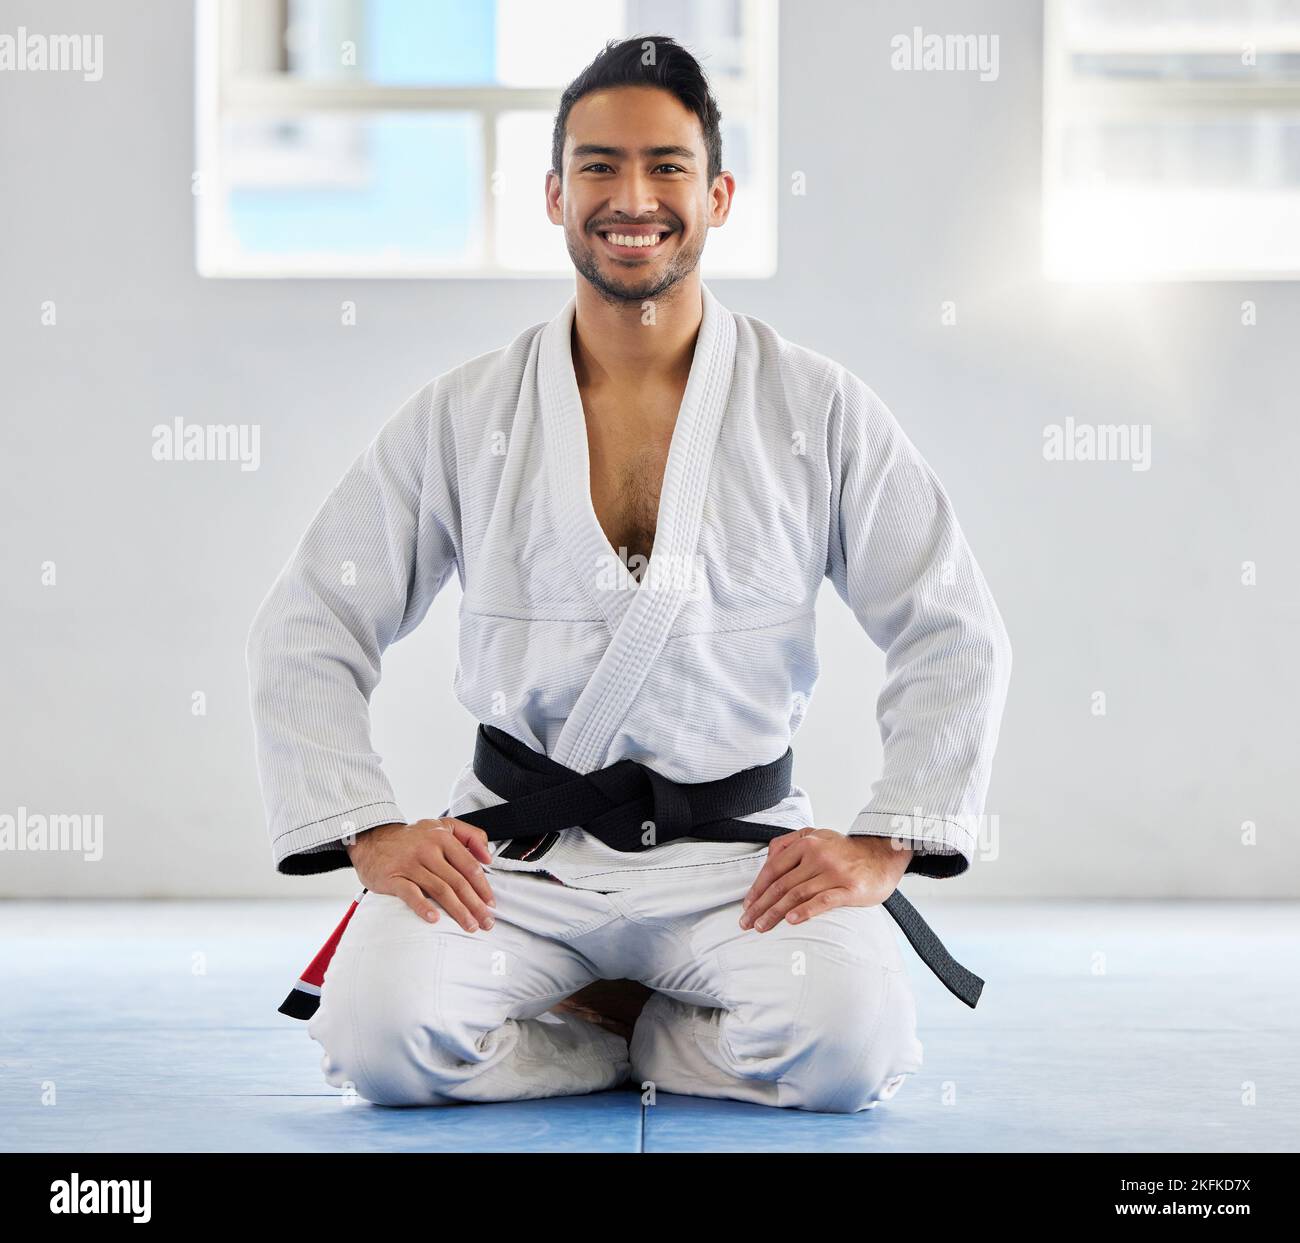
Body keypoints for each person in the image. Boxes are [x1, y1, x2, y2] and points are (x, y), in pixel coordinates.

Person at [246, 34, 1012, 1113]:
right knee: (377, 1037)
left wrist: (890, 837)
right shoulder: (467, 413)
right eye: (598, 166)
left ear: (719, 193)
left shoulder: (816, 408)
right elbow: (309, 622)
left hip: (736, 863)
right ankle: (595, 1044)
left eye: (665, 166)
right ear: (555, 195)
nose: (632, 196)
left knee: (850, 1044)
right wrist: (368, 826)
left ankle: (643, 1031)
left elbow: (952, 628)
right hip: (515, 861)